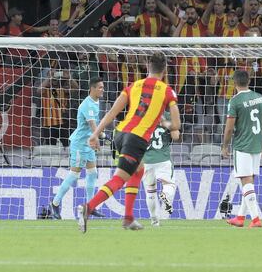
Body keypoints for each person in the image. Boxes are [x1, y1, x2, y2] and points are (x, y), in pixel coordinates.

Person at [78, 51, 180, 232]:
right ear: (165, 69)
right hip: (137, 139)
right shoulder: (167, 91)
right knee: (119, 179)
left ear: (148, 66)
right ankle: (89, 207)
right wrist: (165, 123)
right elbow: (177, 125)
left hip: (120, 134)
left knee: (138, 171)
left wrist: (95, 134)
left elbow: (112, 112)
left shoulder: (134, 86)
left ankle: (128, 218)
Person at [221, 69, 262, 228]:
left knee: (246, 181)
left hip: (242, 145)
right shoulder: (259, 97)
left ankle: (256, 219)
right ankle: (240, 217)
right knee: (249, 182)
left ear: (234, 83)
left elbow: (229, 128)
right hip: (257, 144)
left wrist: (225, 146)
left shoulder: (235, 101)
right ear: (249, 81)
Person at [49, 78, 104, 220]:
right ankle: (54, 204)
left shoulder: (96, 102)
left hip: (88, 142)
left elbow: (95, 125)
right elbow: (92, 125)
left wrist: (101, 134)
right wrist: (97, 138)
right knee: (74, 174)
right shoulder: (87, 104)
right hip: (80, 144)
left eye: (103, 87)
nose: (102, 90)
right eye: (100, 87)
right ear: (92, 89)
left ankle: (90, 206)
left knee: (92, 173)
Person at [142, 111, 180, 227]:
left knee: (150, 191)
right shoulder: (168, 115)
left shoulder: (142, 114)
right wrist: (167, 124)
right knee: (170, 185)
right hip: (163, 158)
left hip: (146, 160)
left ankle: (154, 221)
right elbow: (176, 136)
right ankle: (165, 194)